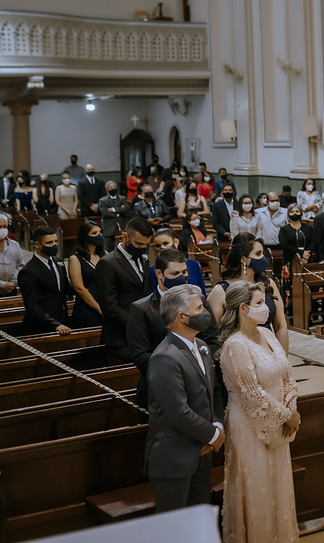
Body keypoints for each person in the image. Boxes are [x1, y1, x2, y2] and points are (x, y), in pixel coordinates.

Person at [217, 280, 301, 543]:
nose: (266, 308)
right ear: (243, 308)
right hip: (249, 427)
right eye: (259, 303)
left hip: (277, 419)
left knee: (278, 483)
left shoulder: (267, 334)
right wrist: (287, 417)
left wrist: (291, 408)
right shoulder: (235, 345)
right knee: (258, 487)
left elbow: (287, 373)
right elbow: (250, 393)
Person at [145, 284, 225, 513]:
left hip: (202, 453)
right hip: (175, 459)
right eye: (200, 308)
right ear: (183, 317)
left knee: (197, 522)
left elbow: (214, 393)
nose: (206, 312)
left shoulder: (201, 347)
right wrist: (213, 434)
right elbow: (177, 412)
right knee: (176, 529)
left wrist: (217, 423)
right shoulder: (164, 357)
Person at [130, 248, 196, 407]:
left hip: (196, 386)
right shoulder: (141, 309)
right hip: (160, 387)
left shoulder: (197, 303)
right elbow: (140, 354)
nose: (181, 278)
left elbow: (211, 338)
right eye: (175, 274)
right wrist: (176, 374)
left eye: (184, 272)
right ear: (159, 274)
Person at [209, 235, 290, 353]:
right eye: (258, 254)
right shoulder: (221, 290)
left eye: (262, 253)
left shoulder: (269, 284)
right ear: (243, 259)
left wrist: (283, 358)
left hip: (269, 350)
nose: (264, 258)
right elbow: (212, 333)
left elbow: (281, 326)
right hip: (239, 353)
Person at [96, 217, 155, 364]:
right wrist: (137, 324)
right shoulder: (108, 263)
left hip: (143, 337)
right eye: (138, 244)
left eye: (146, 245)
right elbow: (109, 306)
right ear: (125, 236)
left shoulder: (143, 259)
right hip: (120, 339)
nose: (142, 248)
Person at [17, 227, 72, 335]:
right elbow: (32, 306)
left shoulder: (59, 262)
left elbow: (64, 288)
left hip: (62, 319)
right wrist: (55, 324)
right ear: (37, 245)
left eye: (56, 241)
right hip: (41, 326)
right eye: (49, 242)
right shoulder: (28, 271)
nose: (54, 245)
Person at [68, 223, 106, 327]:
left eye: (100, 232)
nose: (99, 235)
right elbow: (79, 288)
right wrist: (99, 309)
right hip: (87, 308)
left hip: (106, 305)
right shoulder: (75, 258)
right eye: (94, 233)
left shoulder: (104, 254)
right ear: (85, 236)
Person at [97, 181, 129, 250]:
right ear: (107, 189)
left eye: (114, 187)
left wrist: (113, 209)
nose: (113, 189)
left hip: (121, 227)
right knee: (108, 248)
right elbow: (104, 212)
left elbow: (126, 208)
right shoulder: (103, 200)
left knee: (123, 248)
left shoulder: (122, 198)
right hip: (108, 228)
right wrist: (119, 211)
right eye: (111, 187)